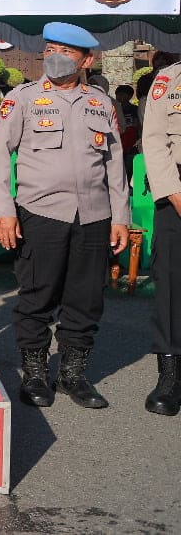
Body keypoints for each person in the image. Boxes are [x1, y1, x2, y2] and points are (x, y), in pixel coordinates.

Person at [0, 22, 128, 409]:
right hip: (41, 213)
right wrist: (3, 211)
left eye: (65, 51)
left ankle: (73, 375)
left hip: (95, 215)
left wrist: (121, 216)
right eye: (49, 49)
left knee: (85, 299)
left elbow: (115, 164)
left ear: (87, 59)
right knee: (37, 294)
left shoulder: (101, 103)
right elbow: (0, 156)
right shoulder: (23, 98)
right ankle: (35, 373)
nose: (54, 57)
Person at [138, 57, 181, 416]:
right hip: (175, 191)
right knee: (170, 283)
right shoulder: (168, 80)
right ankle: (169, 376)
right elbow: (152, 139)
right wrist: (173, 190)